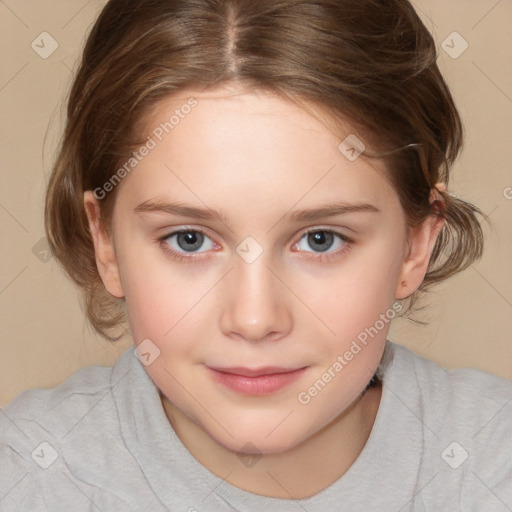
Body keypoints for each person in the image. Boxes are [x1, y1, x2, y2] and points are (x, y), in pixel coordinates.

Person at [1, 0, 510, 510]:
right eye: (189, 240)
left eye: (320, 240)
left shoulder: (493, 463)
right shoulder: (29, 477)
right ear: (105, 242)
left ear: (415, 245)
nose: (254, 319)